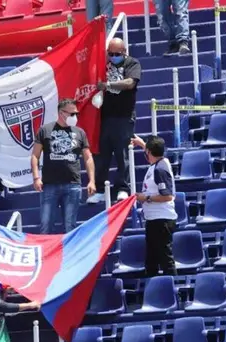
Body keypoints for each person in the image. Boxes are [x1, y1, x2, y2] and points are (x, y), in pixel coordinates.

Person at [30, 98, 96, 234]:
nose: (75, 117)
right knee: (46, 224)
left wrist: (92, 181)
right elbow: (35, 155)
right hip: (49, 185)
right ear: (61, 113)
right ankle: (46, 254)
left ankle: (68, 254)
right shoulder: (45, 130)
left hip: (73, 184)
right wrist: (36, 178)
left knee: (70, 225)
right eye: (72, 114)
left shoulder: (80, 133)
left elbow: (88, 157)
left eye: (76, 114)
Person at [88, 38, 141, 205]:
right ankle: (100, 190)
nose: (113, 57)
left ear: (124, 51)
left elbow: (130, 83)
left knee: (122, 155)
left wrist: (109, 84)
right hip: (104, 116)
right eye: (110, 54)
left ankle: (123, 188)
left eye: (117, 54)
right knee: (101, 155)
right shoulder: (102, 64)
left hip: (124, 117)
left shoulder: (132, 63)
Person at [131, 135, 177, 277]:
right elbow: (153, 151)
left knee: (165, 259)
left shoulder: (160, 170)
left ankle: (174, 294)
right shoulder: (159, 162)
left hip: (161, 220)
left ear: (149, 152)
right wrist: (142, 144)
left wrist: (146, 197)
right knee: (151, 260)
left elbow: (168, 195)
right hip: (154, 220)